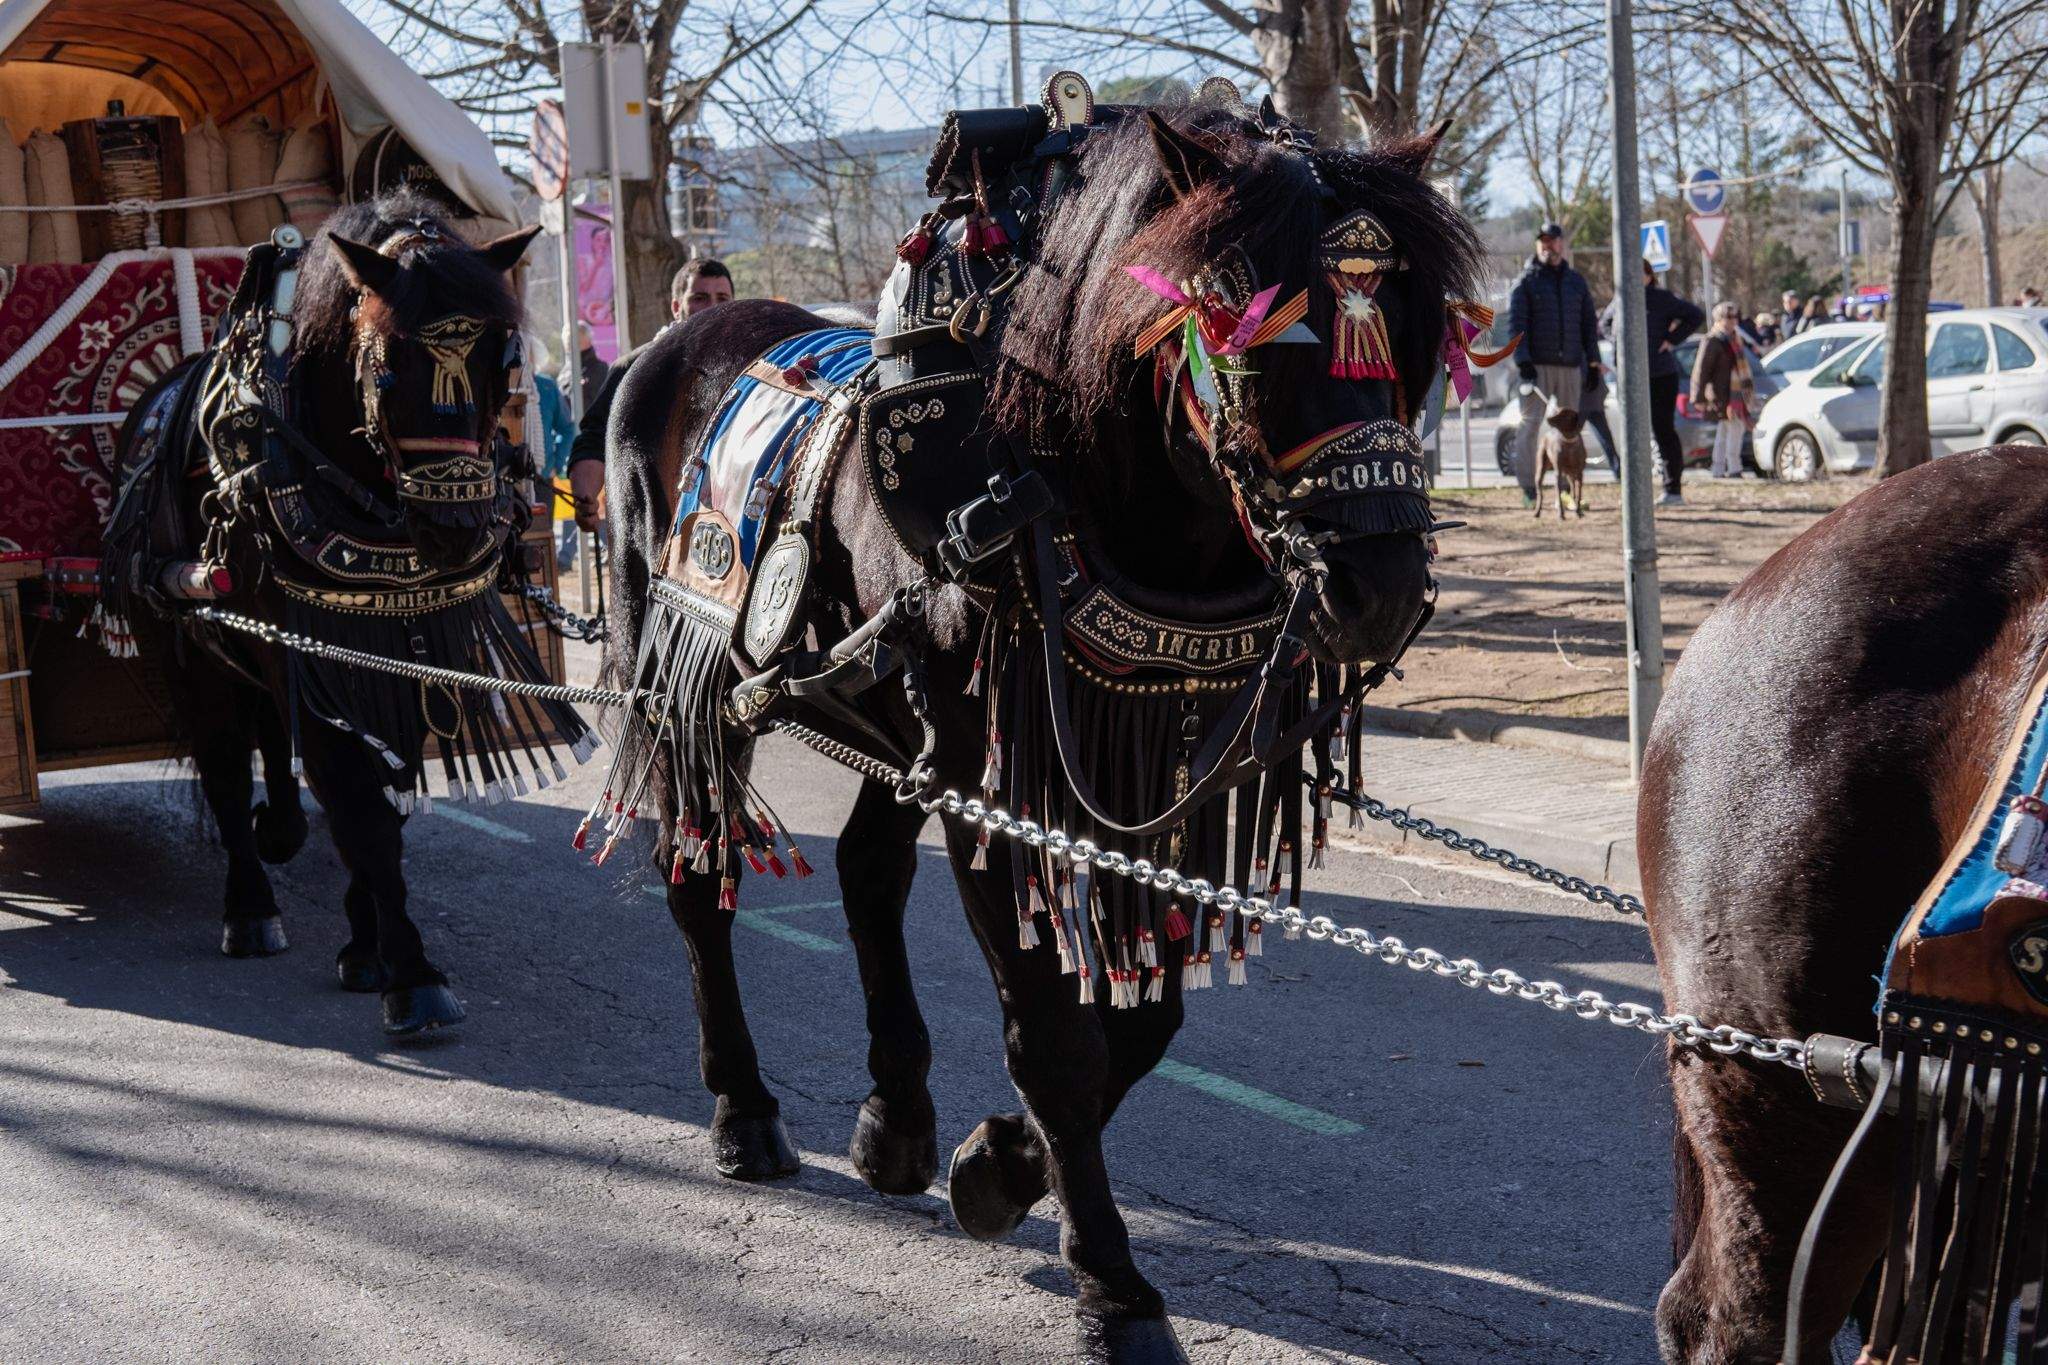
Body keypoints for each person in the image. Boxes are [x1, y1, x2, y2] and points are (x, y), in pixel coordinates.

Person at [566, 259, 737, 530]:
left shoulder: (754, 370)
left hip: (736, 526)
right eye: (700, 298)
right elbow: (595, 438)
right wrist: (586, 496)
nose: (712, 308)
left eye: (722, 298)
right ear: (676, 307)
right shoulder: (634, 371)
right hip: (655, 529)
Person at [1508, 223, 1600, 506]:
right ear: (1538, 246)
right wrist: (1523, 362)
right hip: (1537, 367)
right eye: (1543, 242)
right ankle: (1529, 489)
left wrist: (1593, 362)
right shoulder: (1525, 282)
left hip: (1571, 366)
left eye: (1553, 241)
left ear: (1562, 244)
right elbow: (1516, 327)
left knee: (1568, 432)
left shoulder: (1576, 282)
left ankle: (1564, 489)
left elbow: (1588, 325)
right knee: (1530, 427)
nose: (1548, 246)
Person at [1604, 259, 1705, 506]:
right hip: (1628, 378)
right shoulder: (1620, 300)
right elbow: (1604, 324)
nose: (1634, 277)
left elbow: (1695, 315)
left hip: (1659, 375)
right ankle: (1635, 492)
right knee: (1632, 434)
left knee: (1663, 431)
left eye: (1640, 272)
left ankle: (1673, 490)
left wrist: (1671, 339)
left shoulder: (1661, 298)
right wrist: (1619, 347)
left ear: (1649, 276)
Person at [1691, 302, 1755, 481]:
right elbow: (1701, 370)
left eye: (1735, 317)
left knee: (1726, 431)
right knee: (1734, 429)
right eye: (1728, 317)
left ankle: (1718, 468)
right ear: (1719, 319)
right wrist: (1698, 396)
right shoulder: (1712, 339)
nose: (1733, 321)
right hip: (1723, 395)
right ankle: (1733, 468)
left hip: (1737, 394)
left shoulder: (1736, 338)